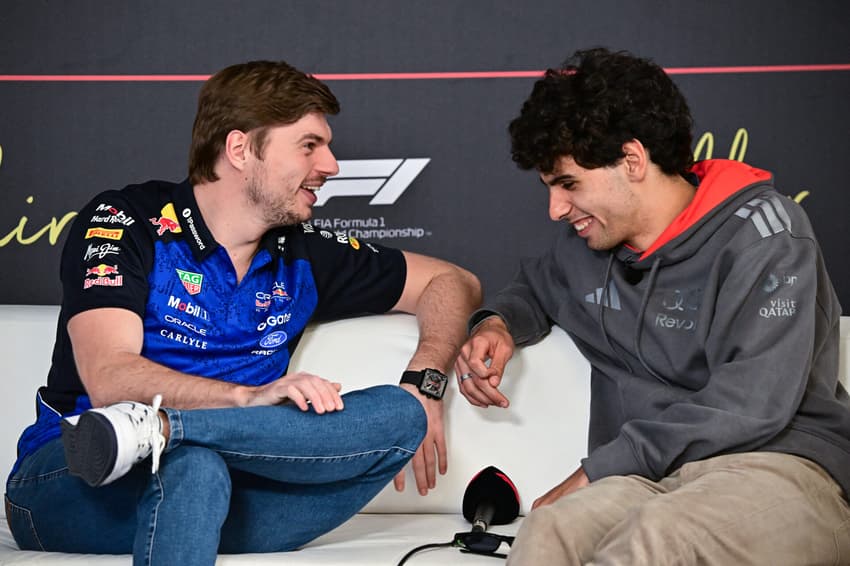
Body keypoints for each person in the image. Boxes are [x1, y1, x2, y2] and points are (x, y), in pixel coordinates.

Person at [4, 60, 481, 564]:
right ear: (239, 149)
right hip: (81, 476)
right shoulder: (126, 221)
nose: (332, 166)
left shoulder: (304, 254)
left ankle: (167, 429)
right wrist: (250, 397)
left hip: (239, 483)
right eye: (309, 146)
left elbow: (453, 281)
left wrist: (427, 375)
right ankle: (162, 437)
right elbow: (110, 377)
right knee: (195, 468)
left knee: (402, 414)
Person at [455, 48, 850, 565]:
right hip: (652, 480)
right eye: (549, 188)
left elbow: (753, 404)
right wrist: (499, 324)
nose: (555, 209)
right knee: (548, 532)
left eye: (568, 184)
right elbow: (535, 286)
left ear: (633, 160)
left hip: (781, 466)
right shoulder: (585, 247)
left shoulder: (767, 234)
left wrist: (600, 468)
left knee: (658, 540)